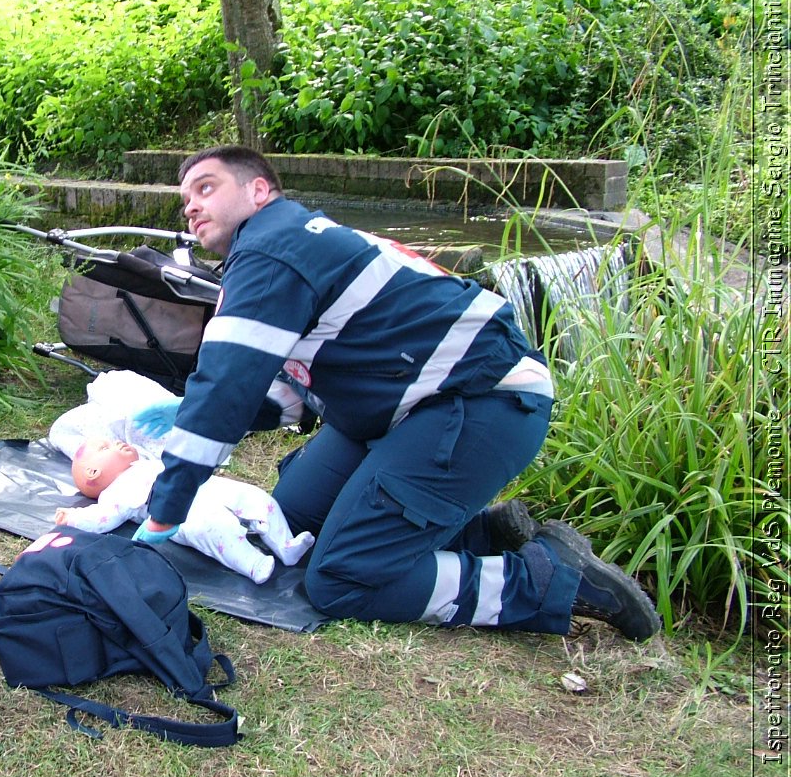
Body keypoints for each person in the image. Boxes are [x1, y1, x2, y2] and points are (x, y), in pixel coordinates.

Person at [131, 146, 661, 642]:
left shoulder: (272, 249)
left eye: (205, 188)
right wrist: (207, 410)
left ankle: (545, 579)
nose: (191, 207)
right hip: (401, 407)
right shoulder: (282, 243)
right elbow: (280, 386)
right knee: (291, 525)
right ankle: (484, 534)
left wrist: (164, 512)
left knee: (341, 578)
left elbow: (222, 391)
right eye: (185, 201)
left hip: (480, 401)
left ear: (259, 192)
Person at [54, 433, 314, 585]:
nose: (117, 443)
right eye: (105, 448)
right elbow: (102, 519)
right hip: (180, 512)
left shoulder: (144, 462)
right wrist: (75, 518)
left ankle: (286, 545)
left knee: (255, 498)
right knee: (215, 527)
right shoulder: (115, 493)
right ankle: (252, 563)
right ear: (93, 471)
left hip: (205, 486)